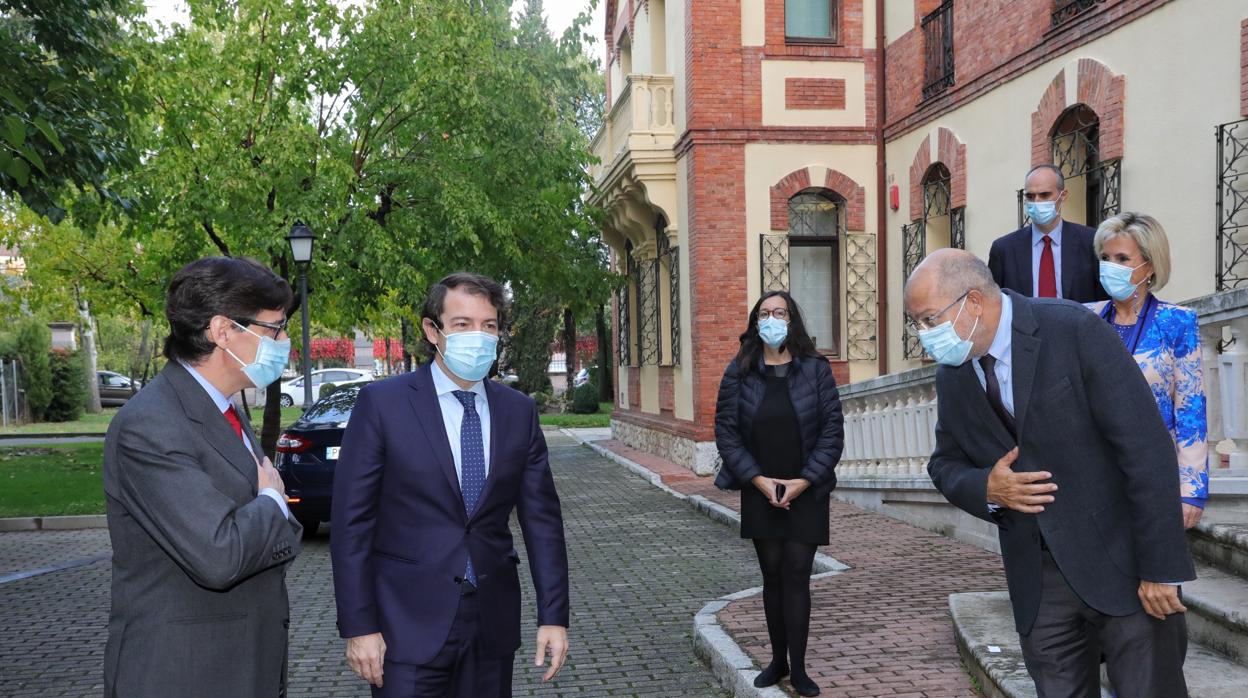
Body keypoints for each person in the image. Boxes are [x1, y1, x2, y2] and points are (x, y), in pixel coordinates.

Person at [905, 249, 1194, 697]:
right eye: (918, 324)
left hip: (1125, 566)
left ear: (973, 302)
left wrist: (1161, 567)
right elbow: (944, 464)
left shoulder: (1071, 328)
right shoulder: (953, 375)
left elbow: (1146, 449)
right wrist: (988, 487)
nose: (925, 335)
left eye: (928, 319)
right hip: (1039, 583)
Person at [331, 272, 570, 697]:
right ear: (432, 330)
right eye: (462, 324)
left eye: (489, 325)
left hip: (491, 624)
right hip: (404, 627)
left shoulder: (519, 412)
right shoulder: (383, 405)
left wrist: (554, 616)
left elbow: (543, 522)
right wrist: (359, 625)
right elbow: (351, 524)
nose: (477, 336)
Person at [102, 257, 303, 697]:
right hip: (185, 674)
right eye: (275, 329)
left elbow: (276, 537)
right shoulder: (150, 425)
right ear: (222, 330)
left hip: (245, 666)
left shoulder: (224, 408)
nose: (285, 342)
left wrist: (270, 508)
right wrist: (271, 500)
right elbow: (220, 556)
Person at [713, 290, 843, 697]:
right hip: (760, 488)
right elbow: (726, 433)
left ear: (792, 320)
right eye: (765, 313)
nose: (772, 319)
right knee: (772, 577)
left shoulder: (816, 369)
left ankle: (800, 669)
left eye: (780, 313)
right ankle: (777, 660)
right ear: (755, 322)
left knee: (797, 576)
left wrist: (804, 481)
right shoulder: (739, 370)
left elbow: (831, 433)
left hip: (807, 489)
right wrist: (758, 480)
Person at [1086, 212, 1209, 528]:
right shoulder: (1087, 320)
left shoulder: (1177, 322)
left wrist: (1192, 490)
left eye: (1123, 258)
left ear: (1150, 266)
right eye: (1105, 258)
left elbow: (1190, 408)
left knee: (1156, 573)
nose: (1111, 266)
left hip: (1155, 474)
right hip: (1095, 476)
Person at [988, 164, 1107, 302]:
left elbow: (1104, 299)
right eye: (1030, 196)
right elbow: (994, 302)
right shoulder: (1004, 249)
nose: (1037, 201)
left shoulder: (1090, 241)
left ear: (1063, 195)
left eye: (1044, 195)